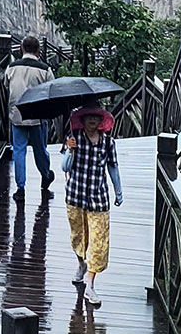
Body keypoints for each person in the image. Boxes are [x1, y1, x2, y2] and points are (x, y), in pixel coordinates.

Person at [60, 100, 123, 308]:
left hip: (98, 197)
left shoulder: (107, 142)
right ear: (83, 120)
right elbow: (64, 167)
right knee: (78, 236)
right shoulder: (73, 138)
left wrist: (118, 190)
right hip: (76, 195)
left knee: (98, 241)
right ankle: (80, 263)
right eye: (89, 117)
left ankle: (91, 285)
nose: (92, 121)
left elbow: (113, 166)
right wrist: (70, 150)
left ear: (101, 120)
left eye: (96, 117)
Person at [6, 35, 56, 200]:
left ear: (21, 48)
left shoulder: (12, 67)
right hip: (37, 115)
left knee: (18, 151)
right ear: (38, 50)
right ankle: (45, 175)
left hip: (17, 114)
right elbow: (51, 90)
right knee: (40, 149)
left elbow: (6, 85)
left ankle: (20, 188)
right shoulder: (44, 69)